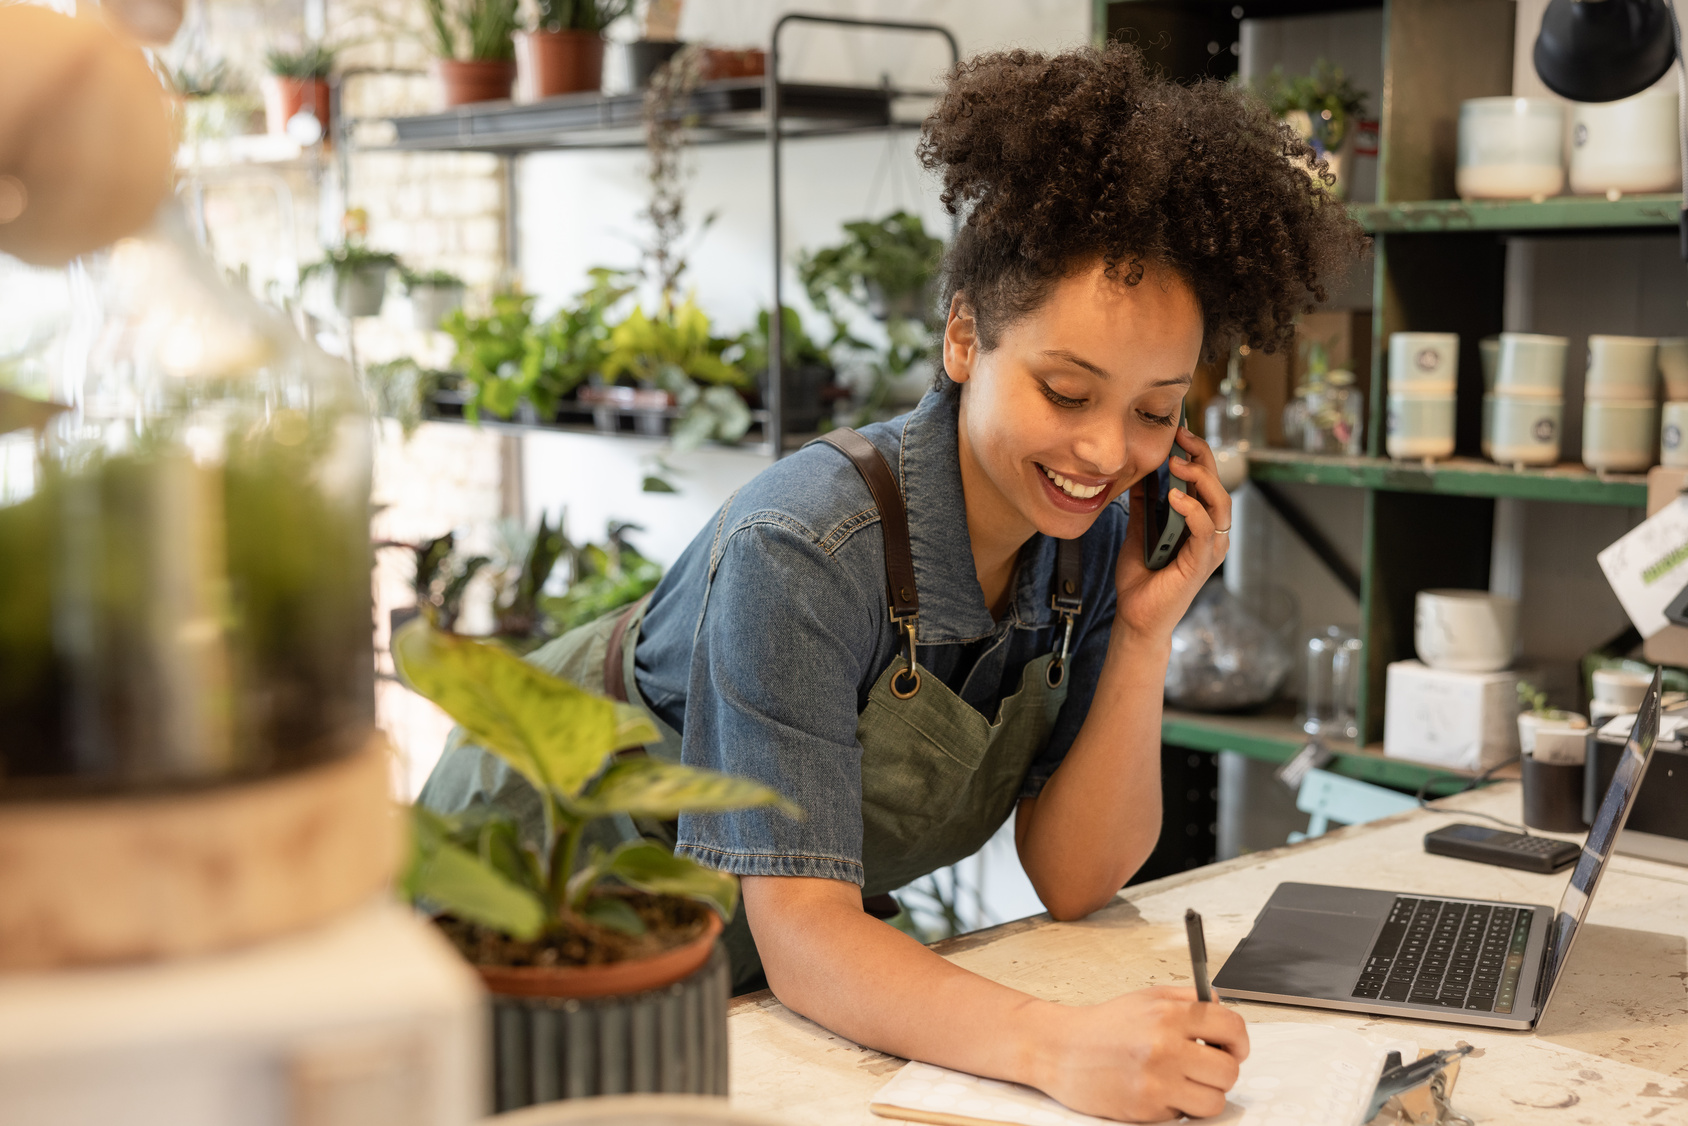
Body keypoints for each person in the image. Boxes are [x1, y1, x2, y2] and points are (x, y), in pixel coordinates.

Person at [422, 41, 1365, 1122]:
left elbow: (1072, 876)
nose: (1106, 452)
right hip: (541, 885)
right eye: (1066, 391)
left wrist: (1145, 634)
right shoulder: (803, 548)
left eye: (1154, 410)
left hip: (756, 935)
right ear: (963, 335)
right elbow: (806, 935)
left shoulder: (1093, 543)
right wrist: (1057, 1048)